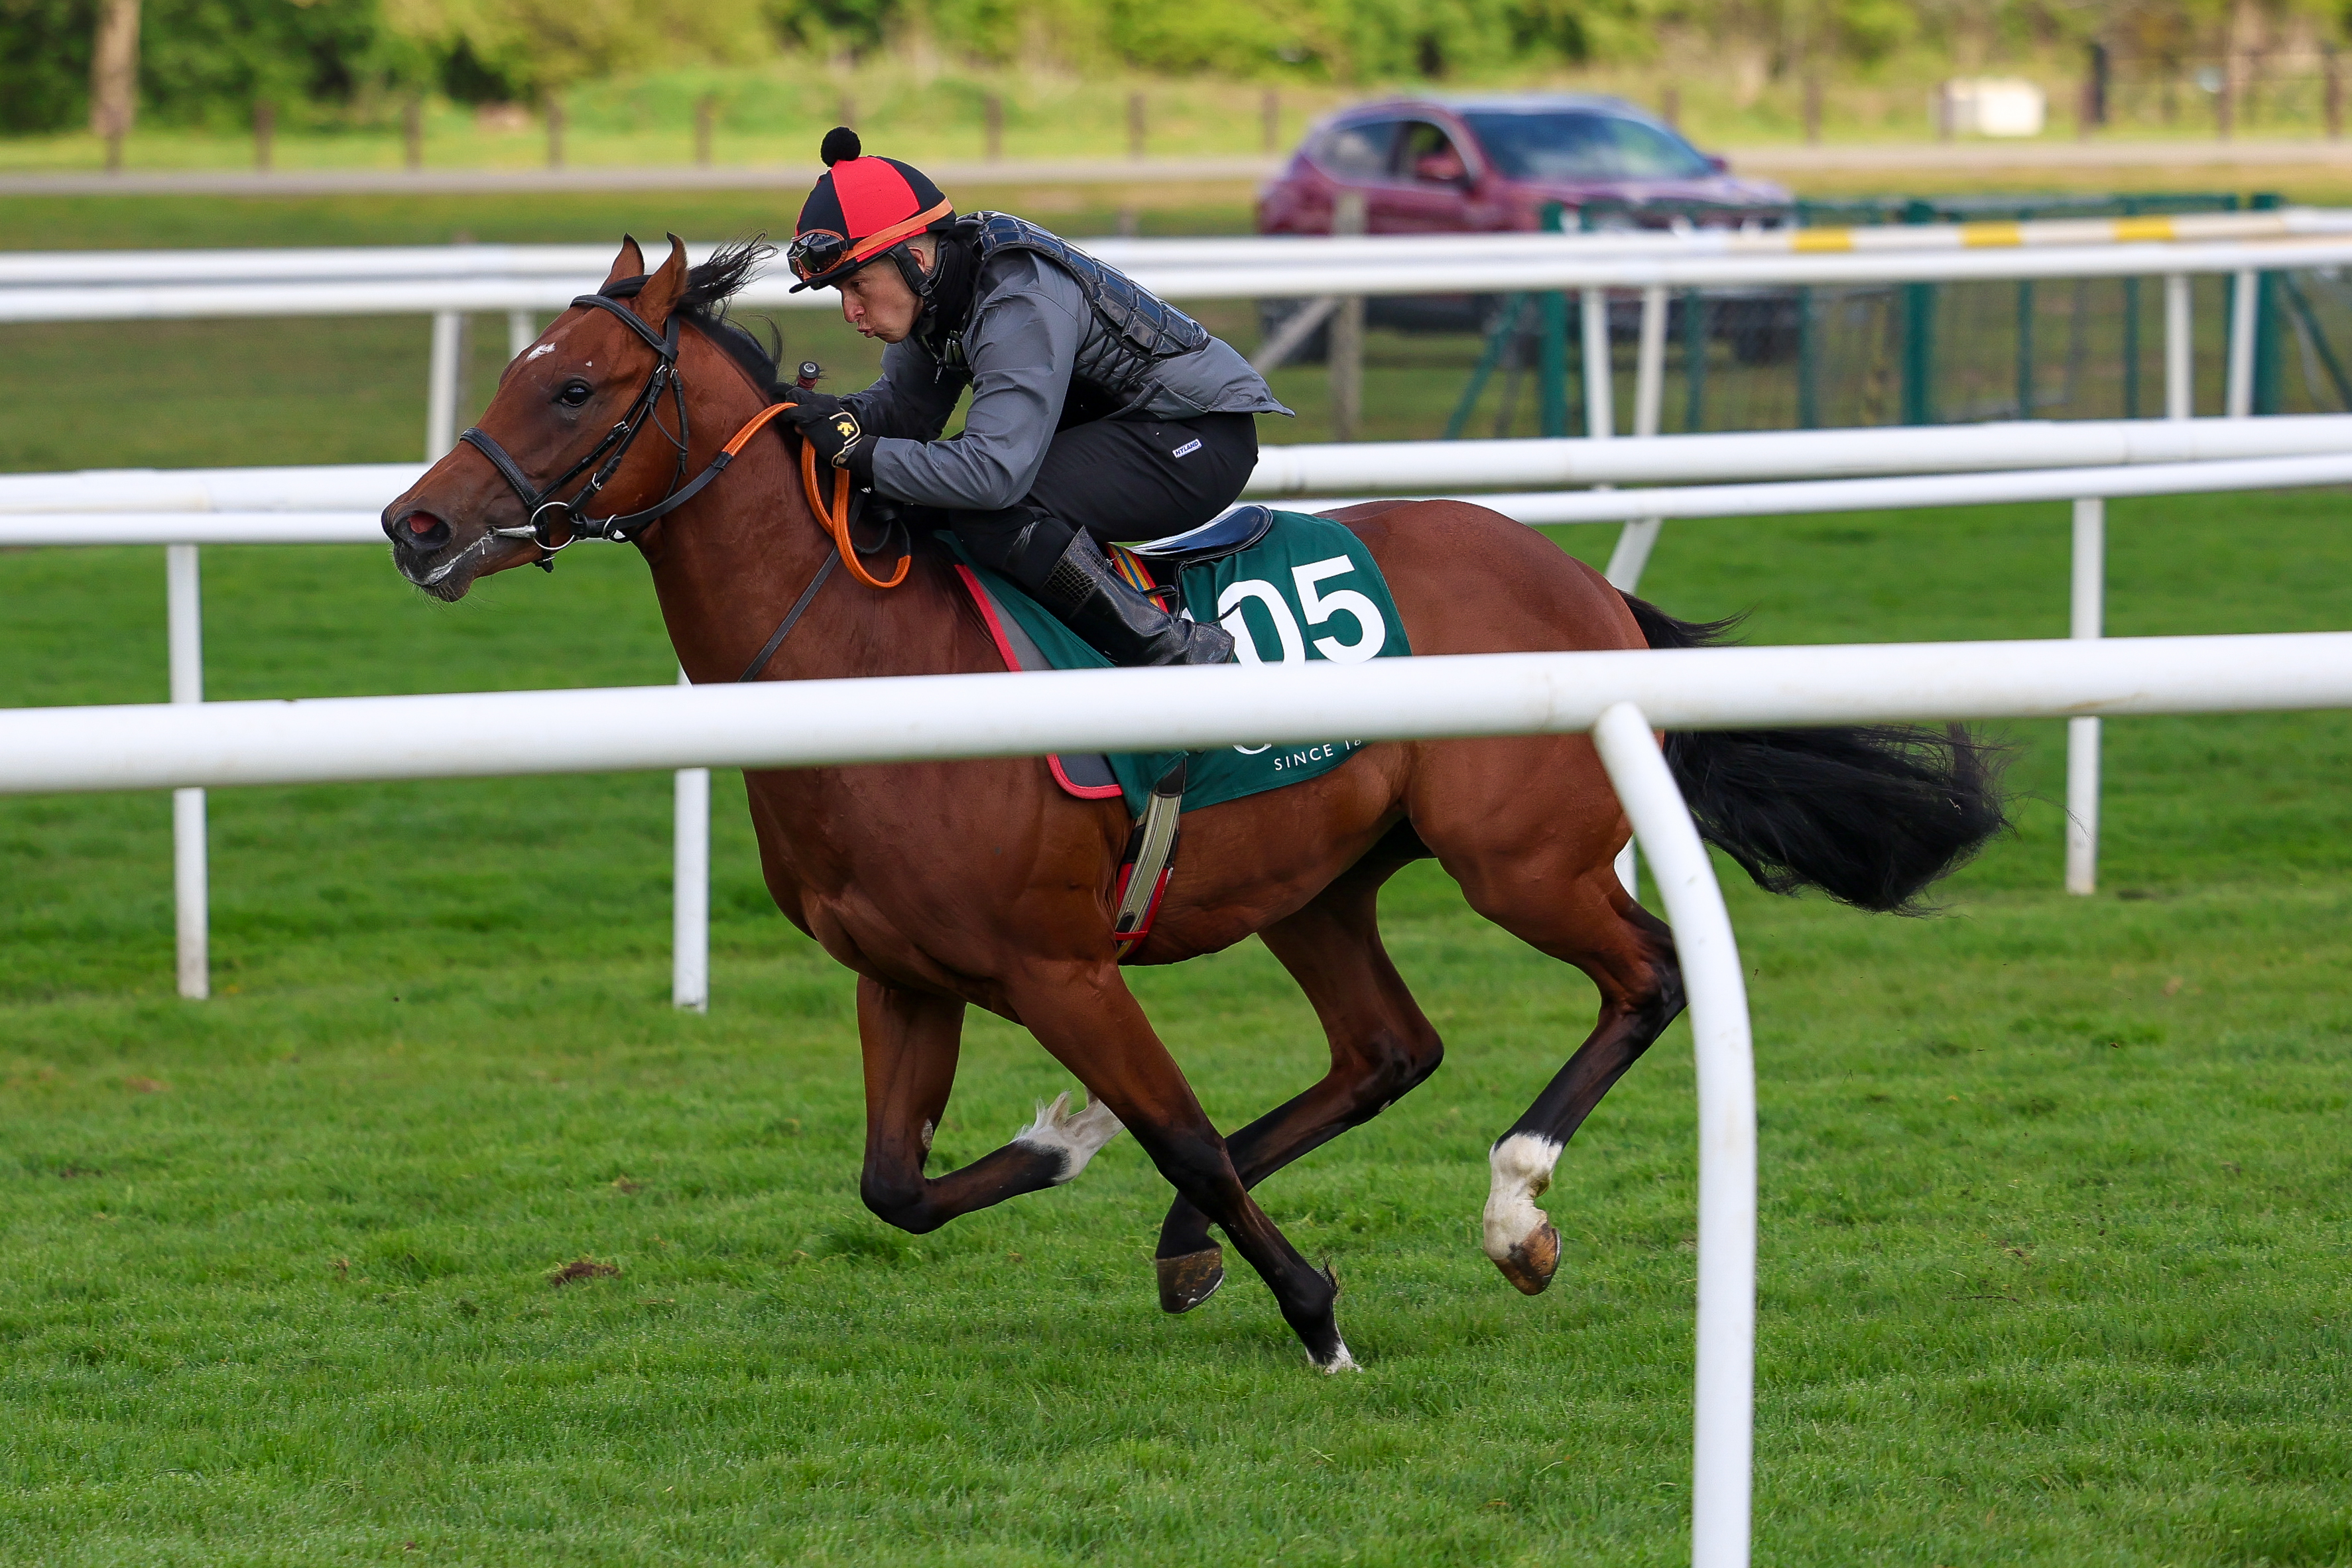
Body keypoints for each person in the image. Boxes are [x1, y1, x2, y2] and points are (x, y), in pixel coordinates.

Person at [776, 127, 1289, 666]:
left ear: (915, 261)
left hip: (1197, 437)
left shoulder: (1017, 298)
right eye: (841, 292)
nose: (850, 312)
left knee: (989, 513)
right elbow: (903, 413)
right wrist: (811, 415)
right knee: (912, 502)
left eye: (857, 286)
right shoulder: (933, 296)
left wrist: (856, 451)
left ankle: (1177, 653)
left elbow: (993, 475)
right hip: (1122, 428)